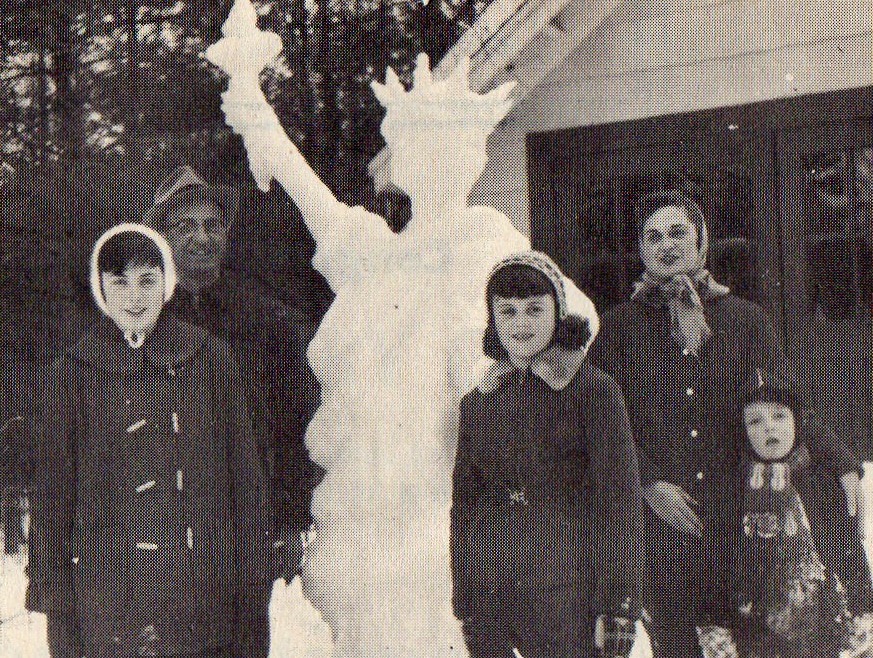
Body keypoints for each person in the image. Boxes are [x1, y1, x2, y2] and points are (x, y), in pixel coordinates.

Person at [588, 189, 862, 658]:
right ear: (641, 249)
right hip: (662, 525)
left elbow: (786, 404)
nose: (666, 245)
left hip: (739, 517)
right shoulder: (616, 329)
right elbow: (600, 425)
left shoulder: (745, 320)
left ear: (701, 241)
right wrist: (647, 483)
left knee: (751, 642)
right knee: (678, 644)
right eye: (652, 236)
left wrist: (842, 462)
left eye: (678, 233)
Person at [25, 223, 270, 658]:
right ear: (100, 287)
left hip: (204, 601)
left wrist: (251, 593)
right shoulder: (72, 373)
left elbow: (245, 481)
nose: (134, 298)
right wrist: (59, 608)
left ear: (167, 282)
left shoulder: (210, 359)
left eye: (147, 280)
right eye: (119, 282)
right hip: (106, 605)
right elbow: (54, 499)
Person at [143, 165, 322, 658]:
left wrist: (290, 519)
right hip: (160, 532)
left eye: (212, 224)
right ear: (160, 238)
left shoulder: (265, 319)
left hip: (245, 526)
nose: (201, 238)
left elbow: (295, 424)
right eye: (184, 226)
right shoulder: (139, 317)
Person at [451, 250, 644, 658]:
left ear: (558, 314)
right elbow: (466, 507)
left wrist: (619, 605)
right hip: (496, 600)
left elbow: (620, 502)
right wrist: (469, 605)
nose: (520, 323)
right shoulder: (479, 402)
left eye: (534, 310)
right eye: (507, 311)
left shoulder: (593, 391)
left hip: (573, 598)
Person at [724, 369, 853, 658]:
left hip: (820, 626)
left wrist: (861, 608)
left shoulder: (821, 484)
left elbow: (848, 552)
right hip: (755, 629)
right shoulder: (734, 490)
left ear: (797, 423)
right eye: (755, 421)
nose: (769, 427)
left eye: (779, 416)